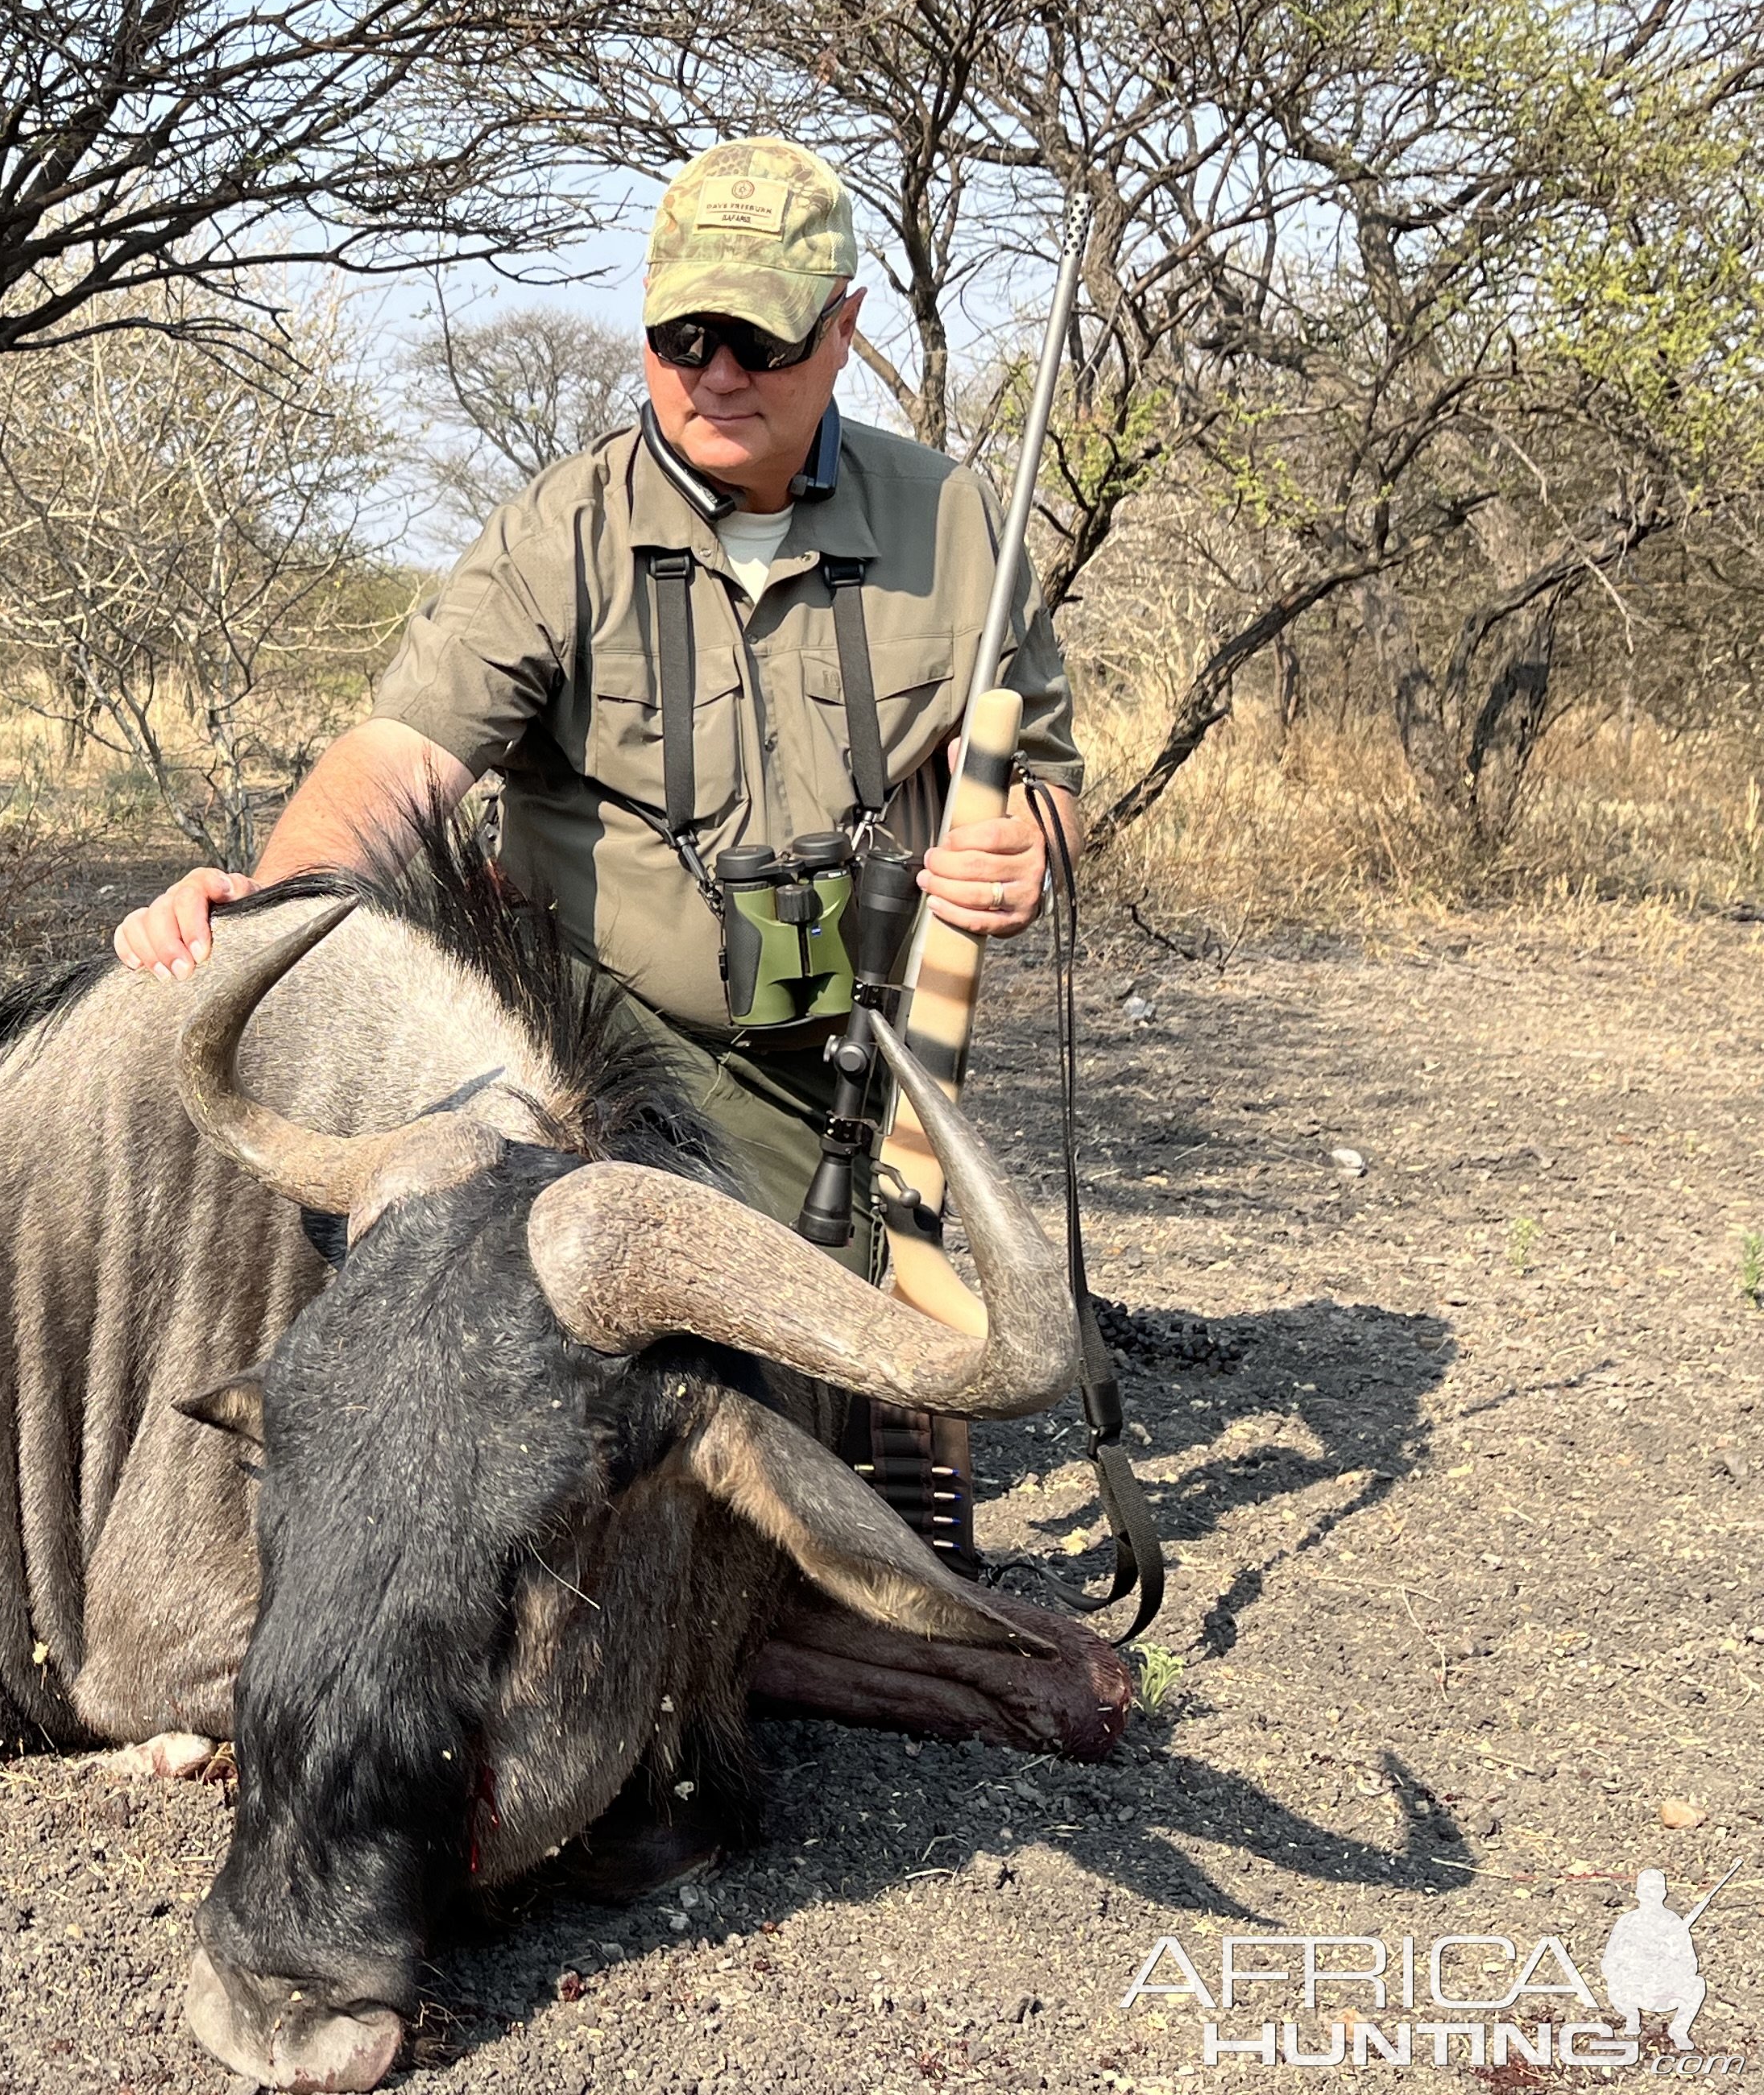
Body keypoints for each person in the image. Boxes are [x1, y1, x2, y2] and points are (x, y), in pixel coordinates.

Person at [116, 136, 1118, 1767]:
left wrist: (1031, 848)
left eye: (764, 342)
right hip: (595, 1070)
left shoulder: (954, 525)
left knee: (846, 1429)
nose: (716, 375)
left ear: (847, 331)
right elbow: (400, 765)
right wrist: (279, 911)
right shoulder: (560, 527)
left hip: (840, 1072)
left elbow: (1057, 784)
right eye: (682, 340)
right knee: (532, 1381)